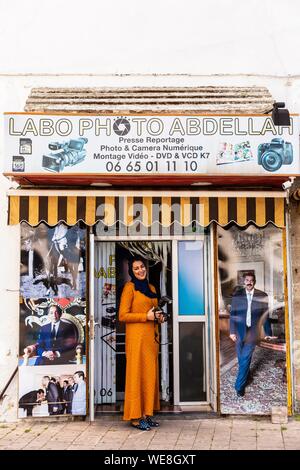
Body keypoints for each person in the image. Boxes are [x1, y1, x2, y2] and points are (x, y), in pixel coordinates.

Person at [119, 257, 164, 431]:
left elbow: (153, 312)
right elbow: (123, 316)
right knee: (136, 376)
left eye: (142, 267)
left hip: (151, 340)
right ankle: (136, 417)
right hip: (136, 340)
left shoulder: (151, 288)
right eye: (136, 268)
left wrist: (159, 317)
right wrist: (145, 316)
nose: (140, 270)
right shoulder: (129, 288)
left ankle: (147, 413)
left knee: (149, 376)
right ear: (132, 271)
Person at [229, 272, 275, 397]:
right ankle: (246, 374)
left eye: (251, 280)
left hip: (253, 331)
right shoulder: (237, 295)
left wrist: (267, 333)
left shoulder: (262, 295)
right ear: (244, 282)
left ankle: (239, 386)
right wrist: (232, 331)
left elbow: (265, 316)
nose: (249, 282)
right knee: (241, 357)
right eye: (247, 280)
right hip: (238, 331)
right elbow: (233, 314)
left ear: (254, 281)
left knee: (245, 357)